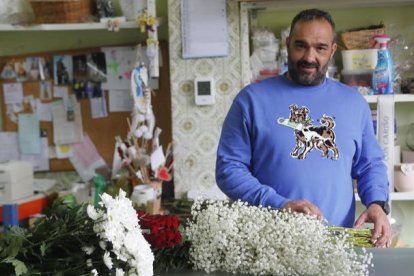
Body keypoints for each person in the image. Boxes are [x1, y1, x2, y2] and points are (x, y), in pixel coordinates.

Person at [216, 9, 391, 247]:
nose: (309, 57)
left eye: (320, 48)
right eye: (301, 45)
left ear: (332, 50)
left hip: (337, 245)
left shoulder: (353, 103)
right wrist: (279, 203)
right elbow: (229, 169)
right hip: (266, 244)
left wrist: (377, 203)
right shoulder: (251, 100)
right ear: (287, 44)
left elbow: (370, 164)